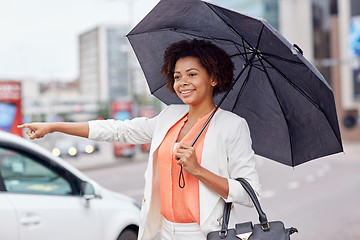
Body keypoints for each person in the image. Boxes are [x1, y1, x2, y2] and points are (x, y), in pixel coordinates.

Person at [18, 39, 261, 240]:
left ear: (214, 78)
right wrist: (54, 127)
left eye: (192, 74)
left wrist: (198, 170)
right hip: (162, 231)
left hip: (204, 233)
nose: (182, 82)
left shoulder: (233, 126)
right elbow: (117, 130)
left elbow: (251, 194)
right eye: (177, 76)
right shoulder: (169, 116)